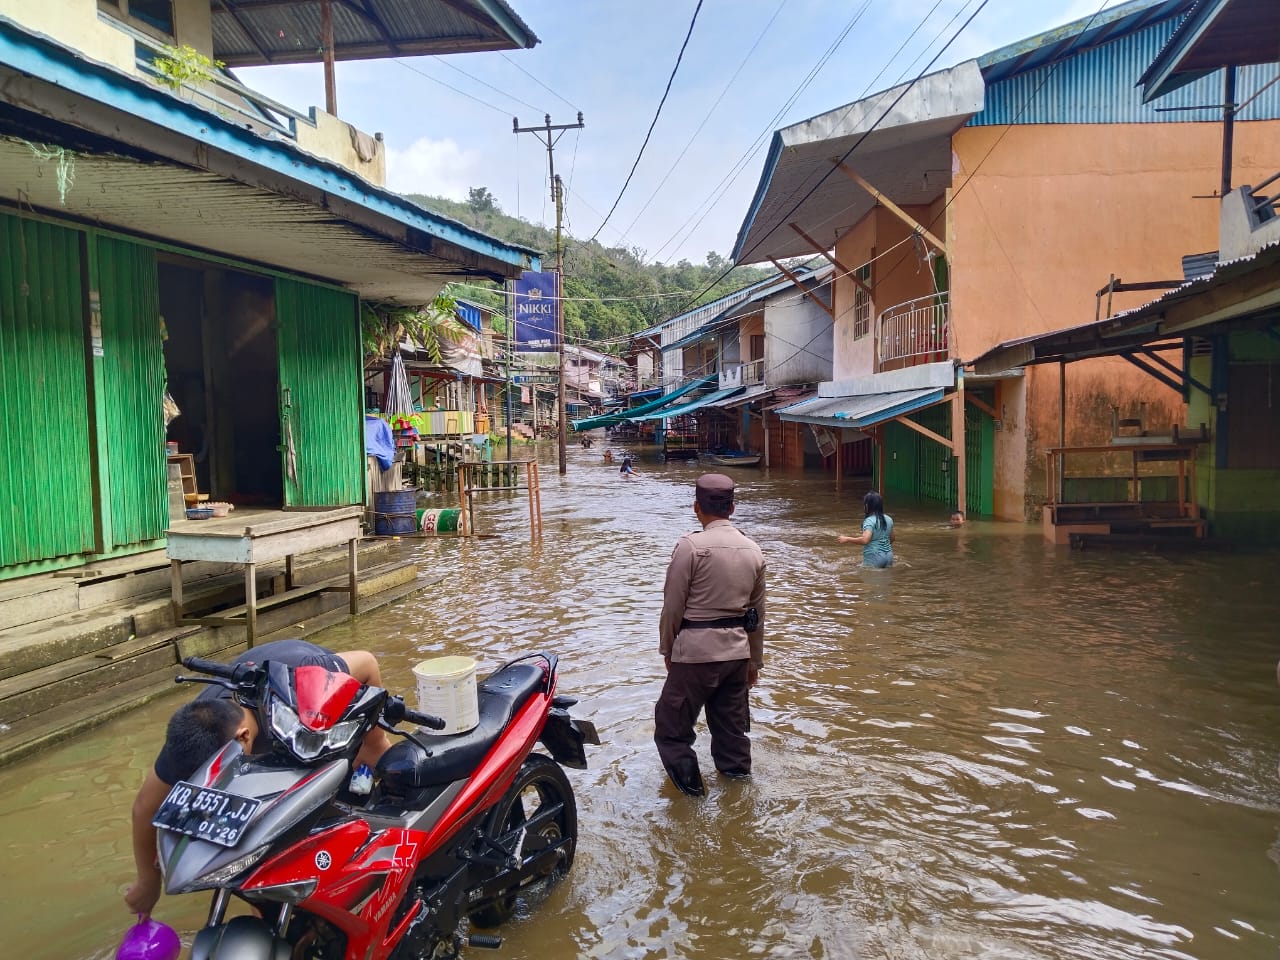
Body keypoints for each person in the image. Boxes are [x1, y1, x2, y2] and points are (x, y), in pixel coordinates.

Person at [125, 639, 390, 917]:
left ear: (244, 738)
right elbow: (145, 808)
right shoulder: (190, 743)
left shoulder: (309, 677)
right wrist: (148, 882)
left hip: (314, 707)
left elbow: (367, 663)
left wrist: (373, 743)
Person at [655, 473, 767, 796]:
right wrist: (753, 664)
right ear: (732, 508)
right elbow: (756, 617)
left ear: (696, 508)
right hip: (736, 656)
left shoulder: (689, 548)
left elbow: (672, 607)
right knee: (732, 737)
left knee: (670, 729)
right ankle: (739, 804)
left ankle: (692, 799)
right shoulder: (754, 551)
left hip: (695, 656)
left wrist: (667, 650)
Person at [838, 490, 895, 568]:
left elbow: (865, 540)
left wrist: (847, 539)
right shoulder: (889, 519)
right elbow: (892, 539)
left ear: (867, 506)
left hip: (875, 557)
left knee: (869, 578)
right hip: (889, 556)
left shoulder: (869, 520)